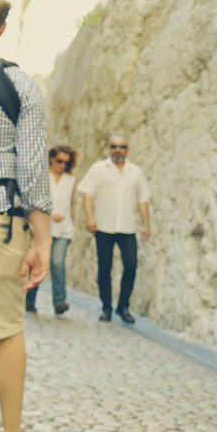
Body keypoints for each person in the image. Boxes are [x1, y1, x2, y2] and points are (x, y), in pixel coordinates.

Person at [0, 0, 52, 432]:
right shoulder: (20, 86)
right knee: (5, 329)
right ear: (2, 29)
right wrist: (43, 241)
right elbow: (33, 171)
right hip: (0, 222)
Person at [78, 133, 150, 323]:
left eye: (122, 147)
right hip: (103, 226)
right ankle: (106, 308)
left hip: (127, 228)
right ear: (109, 148)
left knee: (131, 265)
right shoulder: (98, 169)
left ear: (127, 149)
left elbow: (142, 200)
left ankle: (123, 306)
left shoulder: (136, 172)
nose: (118, 150)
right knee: (104, 268)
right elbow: (87, 194)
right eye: (114, 146)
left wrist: (146, 225)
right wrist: (90, 218)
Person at [26, 145, 77, 315]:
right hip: (43, 229)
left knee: (58, 264)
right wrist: (48, 216)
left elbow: (71, 205)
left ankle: (59, 301)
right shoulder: (42, 177)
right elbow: (33, 203)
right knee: (39, 263)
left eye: (66, 163)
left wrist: (71, 229)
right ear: (51, 159)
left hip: (63, 230)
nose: (63, 165)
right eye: (59, 161)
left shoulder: (70, 180)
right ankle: (29, 300)